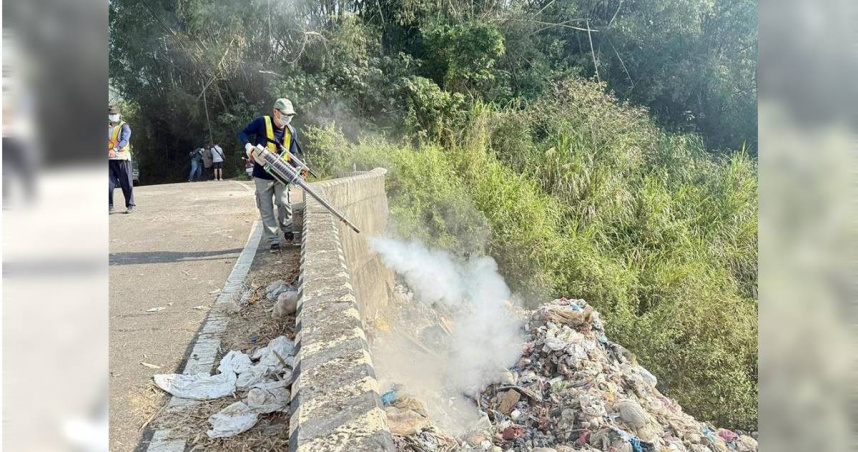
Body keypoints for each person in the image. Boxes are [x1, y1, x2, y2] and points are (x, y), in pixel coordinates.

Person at [238, 98, 301, 252]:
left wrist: (297, 168)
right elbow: (243, 133)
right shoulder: (262, 122)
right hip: (262, 174)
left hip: (282, 175)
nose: (287, 118)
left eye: (290, 115)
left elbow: (292, 155)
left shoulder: (292, 131)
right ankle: (274, 241)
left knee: (283, 202)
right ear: (275, 112)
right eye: (284, 114)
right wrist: (248, 146)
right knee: (265, 208)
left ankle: (287, 229)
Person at [109, 105, 135, 213]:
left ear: (119, 114)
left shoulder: (124, 126)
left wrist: (115, 149)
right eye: (111, 114)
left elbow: (124, 140)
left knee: (126, 183)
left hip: (122, 158)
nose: (113, 116)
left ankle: (130, 205)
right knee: (108, 184)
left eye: (115, 114)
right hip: (109, 159)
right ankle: (109, 206)